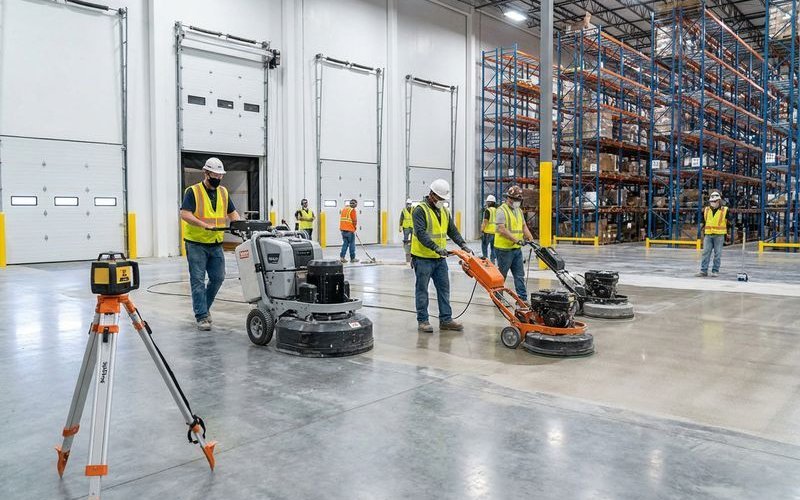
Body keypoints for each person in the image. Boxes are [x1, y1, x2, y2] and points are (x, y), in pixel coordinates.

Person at [179, 157, 241, 331]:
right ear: (206, 173)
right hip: (196, 243)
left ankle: (203, 308)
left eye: (220, 175)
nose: (218, 178)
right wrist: (204, 224)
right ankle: (201, 316)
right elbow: (185, 214)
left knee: (218, 278)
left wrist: (242, 226)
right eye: (215, 174)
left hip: (215, 243)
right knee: (197, 280)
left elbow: (232, 213)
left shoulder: (223, 192)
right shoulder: (193, 191)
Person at [411, 179, 472, 333]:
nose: (441, 201)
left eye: (443, 199)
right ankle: (423, 321)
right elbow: (421, 233)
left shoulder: (444, 210)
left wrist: (462, 244)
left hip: (440, 260)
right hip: (423, 258)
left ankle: (446, 319)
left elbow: (452, 230)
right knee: (422, 290)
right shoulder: (420, 209)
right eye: (439, 198)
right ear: (431, 195)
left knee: (444, 289)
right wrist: (436, 248)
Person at [494, 185, 534, 300]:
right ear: (509, 198)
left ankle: (522, 299)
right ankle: (498, 297)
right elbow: (501, 229)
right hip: (504, 250)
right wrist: (517, 240)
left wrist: (530, 238)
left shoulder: (519, 211)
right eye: (516, 199)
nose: (518, 202)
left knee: (519, 275)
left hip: (516, 249)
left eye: (519, 200)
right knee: (502, 275)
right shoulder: (501, 210)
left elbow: (523, 226)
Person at [696, 191, 731, 278]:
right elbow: (703, 221)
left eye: (714, 202)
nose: (713, 203)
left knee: (717, 254)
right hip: (708, 234)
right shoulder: (706, 210)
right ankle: (703, 271)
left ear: (719, 201)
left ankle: (715, 271)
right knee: (705, 253)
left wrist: (728, 233)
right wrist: (700, 230)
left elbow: (729, 222)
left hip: (719, 235)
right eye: (711, 202)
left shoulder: (725, 210)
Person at [339, 199, 359, 263]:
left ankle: (342, 257)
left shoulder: (344, 209)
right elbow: (354, 220)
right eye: (356, 204)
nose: (356, 205)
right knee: (352, 244)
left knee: (345, 244)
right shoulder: (352, 210)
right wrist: (354, 227)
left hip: (343, 230)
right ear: (355, 204)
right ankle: (352, 258)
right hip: (350, 230)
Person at [480, 194, 498, 264]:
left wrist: (482, 229)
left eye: (487, 202)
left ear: (489, 203)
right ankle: (492, 261)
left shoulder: (488, 210)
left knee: (484, 246)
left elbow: (485, 221)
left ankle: (485, 260)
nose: (486, 203)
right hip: (495, 232)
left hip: (487, 232)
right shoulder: (497, 210)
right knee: (493, 248)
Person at [399, 198, 414, 263]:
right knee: (406, 238)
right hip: (406, 227)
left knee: (413, 238)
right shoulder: (404, 210)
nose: (409, 205)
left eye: (410, 204)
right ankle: (406, 247)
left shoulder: (414, 209)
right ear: (406, 204)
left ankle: (412, 245)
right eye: (408, 204)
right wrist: (400, 226)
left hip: (412, 226)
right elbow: (401, 218)